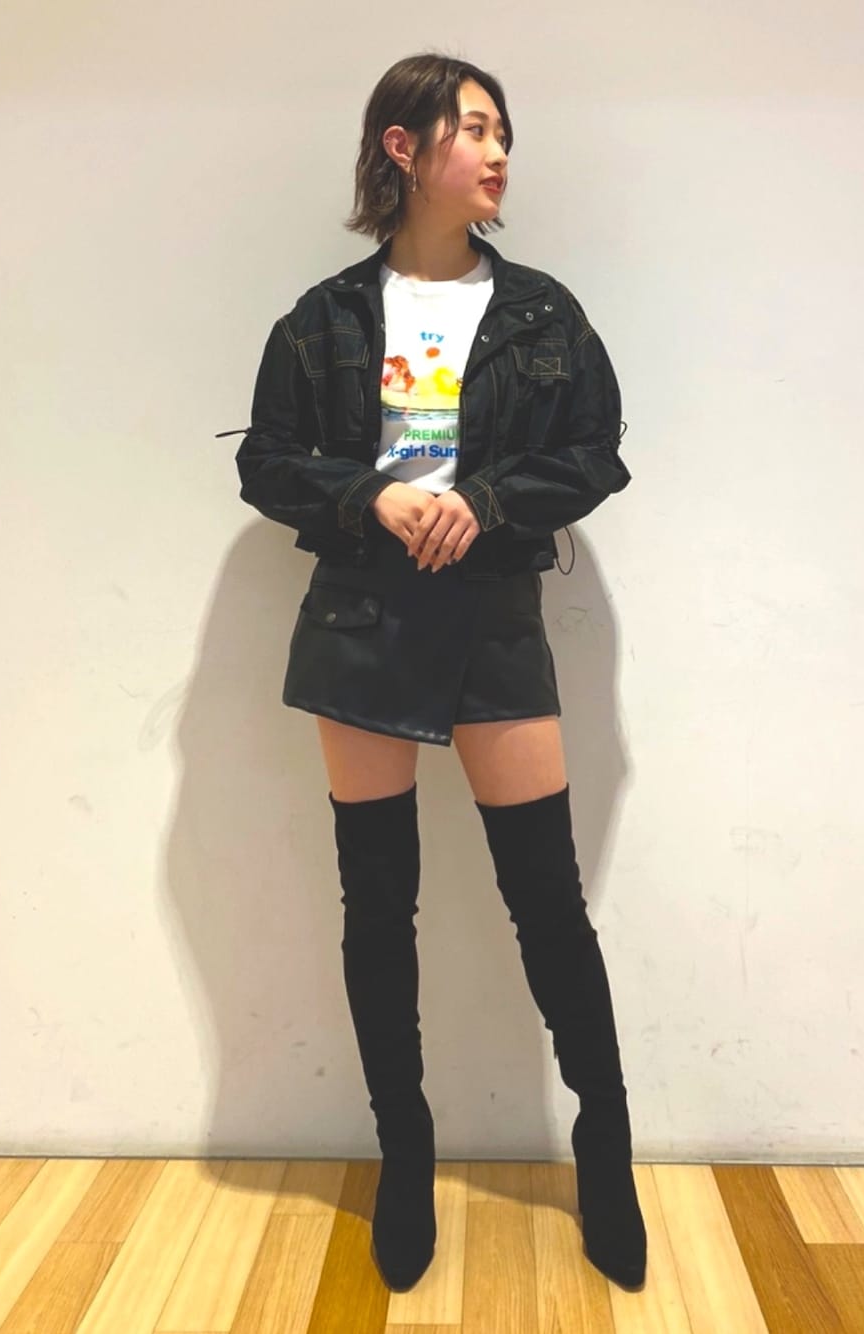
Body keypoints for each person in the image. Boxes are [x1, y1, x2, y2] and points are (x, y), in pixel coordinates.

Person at [233, 51, 647, 1294]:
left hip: (493, 612)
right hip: (362, 613)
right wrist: (371, 496)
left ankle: (607, 1147)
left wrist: (485, 499)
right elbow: (266, 460)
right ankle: (403, 1155)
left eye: (503, 130)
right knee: (378, 902)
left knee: (547, 899)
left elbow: (595, 450)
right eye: (473, 127)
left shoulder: (541, 314)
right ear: (403, 147)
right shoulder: (322, 320)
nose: (498, 150)